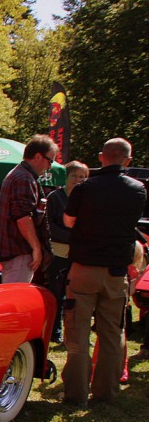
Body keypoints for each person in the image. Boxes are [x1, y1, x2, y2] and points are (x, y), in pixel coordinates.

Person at [61, 138, 147, 405]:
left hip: (84, 269)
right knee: (112, 335)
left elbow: (68, 221)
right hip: (116, 273)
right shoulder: (138, 189)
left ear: (101, 157)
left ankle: (76, 394)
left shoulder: (85, 188)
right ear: (128, 161)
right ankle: (106, 393)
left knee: (78, 333)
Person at [0, 135, 58, 283]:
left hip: (14, 252)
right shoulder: (24, 178)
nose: (50, 166)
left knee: (14, 299)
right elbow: (23, 217)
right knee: (16, 302)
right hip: (19, 252)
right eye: (50, 160)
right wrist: (36, 248)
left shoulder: (20, 174)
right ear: (38, 156)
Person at [45, 161, 89, 341]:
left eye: (82, 177)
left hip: (81, 254)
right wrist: (73, 236)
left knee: (79, 296)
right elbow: (49, 225)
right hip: (59, 252)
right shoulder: (56, 197)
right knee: (57, 293)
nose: (78, 180)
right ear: (66, 177)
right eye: (74, 176)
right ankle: (55, 332)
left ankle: (76, 333)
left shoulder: (88, 197)